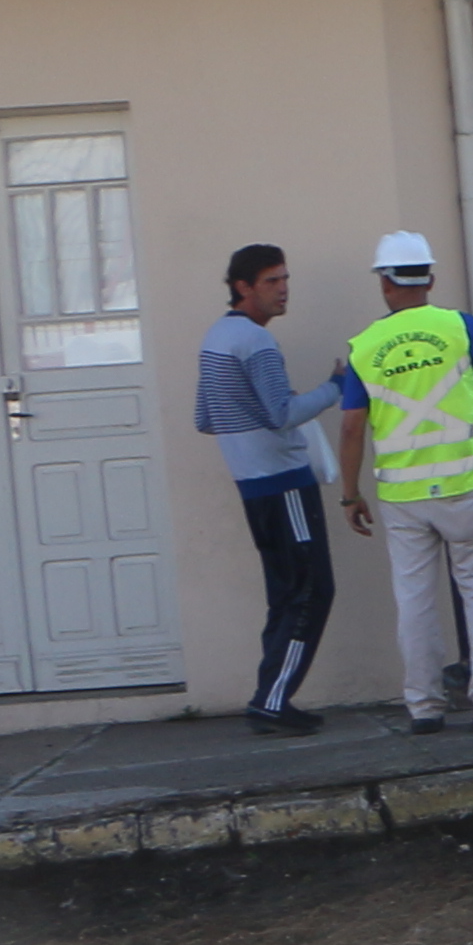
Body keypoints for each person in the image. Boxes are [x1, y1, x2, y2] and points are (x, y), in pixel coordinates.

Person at [330, 232, 473, 735]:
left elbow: (350, 428)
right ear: (430, 279)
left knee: (414, 602)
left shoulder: (364, 348)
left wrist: (349, 494)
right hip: (464, 486)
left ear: (385, 283)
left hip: (403, 497)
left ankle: (424, 708)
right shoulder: (457, 327)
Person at [195, 244, 343, 735]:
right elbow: (283, 415)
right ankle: (272, 701)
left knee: (286, 595)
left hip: (253, 487)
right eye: (271, 281)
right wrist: (336, 386)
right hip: (285, 486)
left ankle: (271, 696)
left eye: (285, 279)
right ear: (243, 287)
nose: (283, 290)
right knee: (312, 591)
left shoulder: (216, 337)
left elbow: (205, 418)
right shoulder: (256, 342)